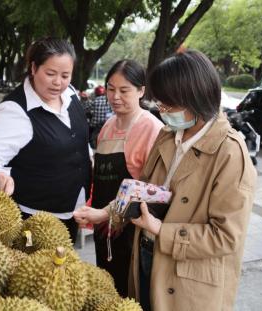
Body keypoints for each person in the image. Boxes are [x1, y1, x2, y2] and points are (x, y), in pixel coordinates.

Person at [74, 49, 257, 311]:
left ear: (195, 97)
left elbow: (226, 238)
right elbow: (141, 191)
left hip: (187, 280)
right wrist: (104, 214)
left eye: (168, 104)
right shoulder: (169, 135)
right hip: (148, 258)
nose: (162, 110)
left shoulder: (230, 153)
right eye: (160, 103)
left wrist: (161, 230)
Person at [0, 38, 91, 242]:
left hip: (72, 209)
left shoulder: (71, 94)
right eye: (51, 74)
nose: (58, 83)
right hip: (34, 217)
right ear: (34, 68)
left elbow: (78, 140)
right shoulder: (15, 110)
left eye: (65, 76)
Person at [88, 59, 163, 297]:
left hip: (132, 232)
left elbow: (153, 189)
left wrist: (109, 214)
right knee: (106, 290)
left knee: (130, 294)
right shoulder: (108, 126)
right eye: (111, 89)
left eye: (124, 90)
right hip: (104, 229)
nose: (115, 96)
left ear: (141, 91)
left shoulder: (151, 127)